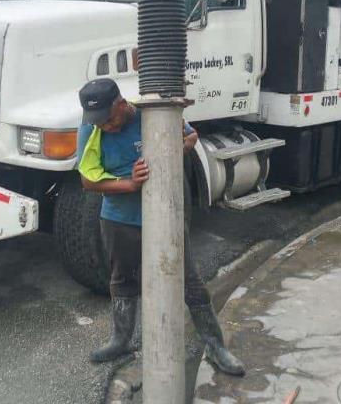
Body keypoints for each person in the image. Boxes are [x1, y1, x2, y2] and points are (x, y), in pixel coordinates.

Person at [76, 78, 245, 376]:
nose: (106, 128)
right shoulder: (91, 127)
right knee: (121, 278)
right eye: (99, 123)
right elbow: (88, 181)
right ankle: (121, 340)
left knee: (188, 280)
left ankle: (216, 347)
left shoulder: (150, 115)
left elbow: (191, 137)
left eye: (110, 120)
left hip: (165, 213)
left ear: (121, 104)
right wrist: (129, 183)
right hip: (118, 218)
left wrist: (176, 149)